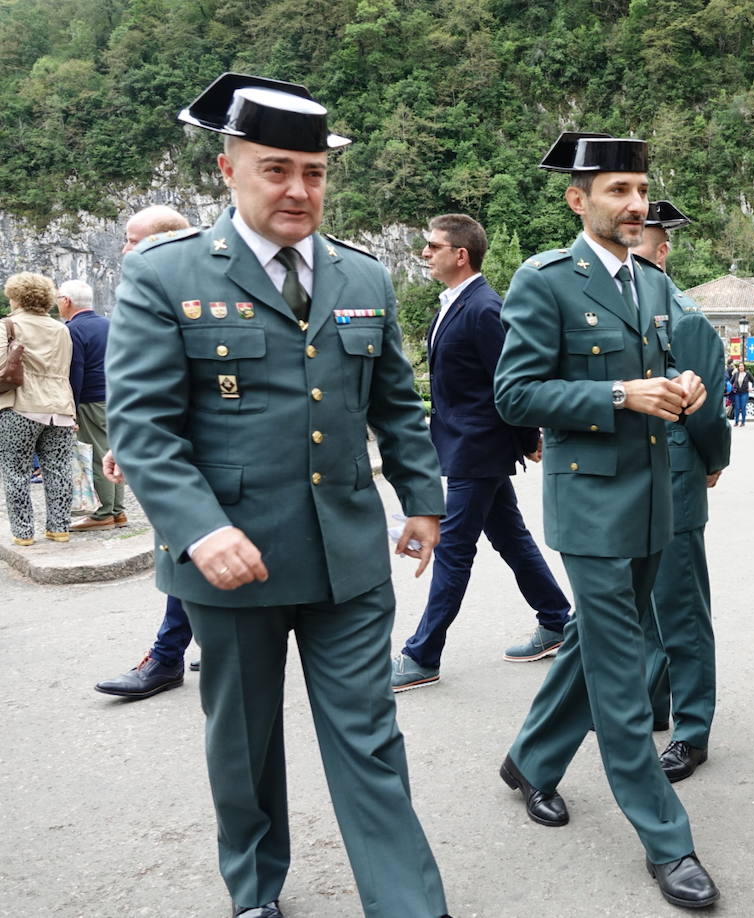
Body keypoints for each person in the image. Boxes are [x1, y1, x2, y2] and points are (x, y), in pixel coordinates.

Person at [105, 73, 451, 918]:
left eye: (314, 172)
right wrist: (198, 530)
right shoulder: (166, 273)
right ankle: (256, 890)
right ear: (228, 170)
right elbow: (142, 426)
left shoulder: (362, 277)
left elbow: (395, 403)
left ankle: (408, 904)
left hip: (346, 557)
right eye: (276, 170)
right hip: (232, 562)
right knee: (244, 742)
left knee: (370, 737)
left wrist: (422, 498)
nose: (299, 189)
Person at [493, 132, 718, 909]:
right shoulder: (546, 280)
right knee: (623, 677)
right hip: (589, 505)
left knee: (598, 640)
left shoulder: (650, 284)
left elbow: (660, 375)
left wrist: (682, 387)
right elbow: (515, 394)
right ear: (577, 200)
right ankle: (668, 842)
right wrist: (620, 395)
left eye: (641, 190)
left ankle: (530, 759)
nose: (635, 204)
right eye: (618, 190)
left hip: (654, 500)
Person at [390, 213, 572, 692]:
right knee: (511, 539)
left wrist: (528, 437)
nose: (425, 253)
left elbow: (508, 382)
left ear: (460, 254)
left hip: (479, 447)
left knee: (452, 549)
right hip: (465, 445)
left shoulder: (485, 308)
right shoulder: (452, 304)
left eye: (433, 246)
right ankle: (557, 619)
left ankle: (422, 655)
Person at [631, 199, 732, 783]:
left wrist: (712, 462)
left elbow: (707, 410)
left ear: (662, 250)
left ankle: (692, 730)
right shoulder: (621, 307)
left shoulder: (684, 317)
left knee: (681, 608)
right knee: (645, 605)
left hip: (674, 475)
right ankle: (654, 702)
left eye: (641, 242)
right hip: (632, 477)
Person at [95, 205, 199, 699]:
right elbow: (144, 385)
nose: (124, 249)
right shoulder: (150, 295)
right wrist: (125, 443)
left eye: (132, 240)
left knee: (186, 550)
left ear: (163, 241)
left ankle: (168, 656)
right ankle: (199, 644)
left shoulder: (203, 293)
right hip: (172, 452)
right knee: (187, 552)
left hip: (202, 456)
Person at [1, 272, 75, 547]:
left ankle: (23, 533)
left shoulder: (8, 325)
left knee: (16, 471)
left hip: (22, 405)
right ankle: (59, 529)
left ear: (17, 297)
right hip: (61, 407)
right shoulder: (62, 329)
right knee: (59, 469)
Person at [55, 280, 124, 532]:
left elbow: (76, 371)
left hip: (90, 399)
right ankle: (118, 511)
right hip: (114, 397)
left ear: (67, 301)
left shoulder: (72, 330)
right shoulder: (109, 324)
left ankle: (103, 513)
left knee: (96, 455)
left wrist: (71, 408)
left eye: (58, 298)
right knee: (113, 450)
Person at [729, 362, 752, 426]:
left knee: (743, 407)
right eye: (740, 366)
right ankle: (736, 422)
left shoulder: (747, 374)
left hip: (745, 393)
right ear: (738, 367)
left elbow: (753, 381)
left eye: (742, 366)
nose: (741, 367)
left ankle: (743, 422)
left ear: (744, 367)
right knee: (737, 407)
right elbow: (730, 381)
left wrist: (751, 387)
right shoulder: (736, 374)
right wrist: (732, 388)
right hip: (737, 393)